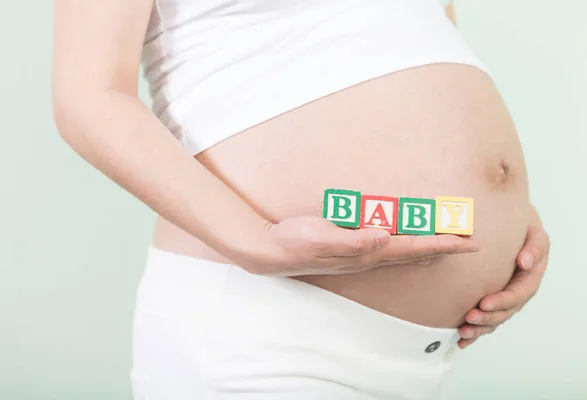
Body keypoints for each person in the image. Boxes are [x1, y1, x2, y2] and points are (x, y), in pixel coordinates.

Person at [52, 0, 550, 398]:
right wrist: (255, 238)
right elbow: (90, 95)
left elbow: (420, 39)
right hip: (263, 340)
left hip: (429, 360)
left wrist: (502, 213)